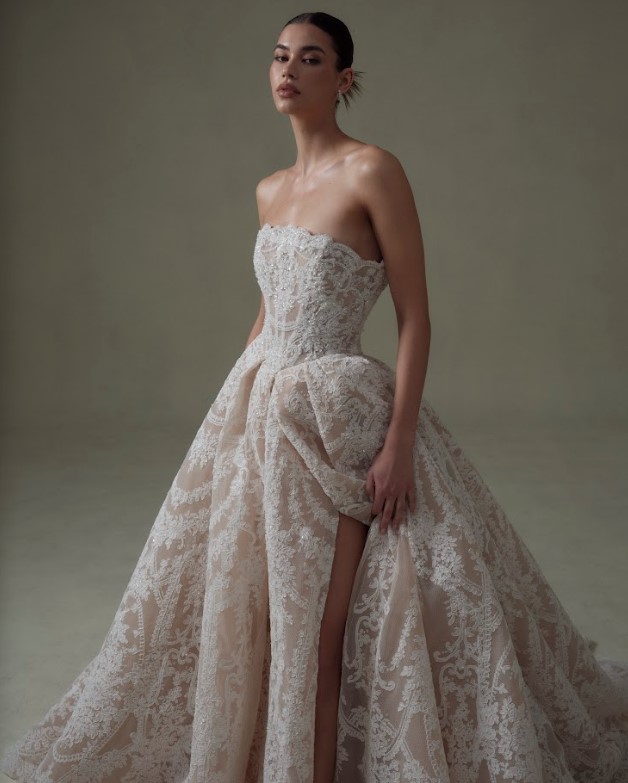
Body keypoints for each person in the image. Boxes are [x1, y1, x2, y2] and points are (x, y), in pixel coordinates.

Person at [2, 10, 628, 783]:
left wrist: (398, 444)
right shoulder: (268, 190)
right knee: (257, 617)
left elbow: (416, 316)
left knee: (321, 629)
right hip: (261, 412)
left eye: (310, 58)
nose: (288, 70)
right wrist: (233, 414)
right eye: (278, 57)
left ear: (344, 79)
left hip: (340, 418)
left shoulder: (373, 171)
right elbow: (269, 314)